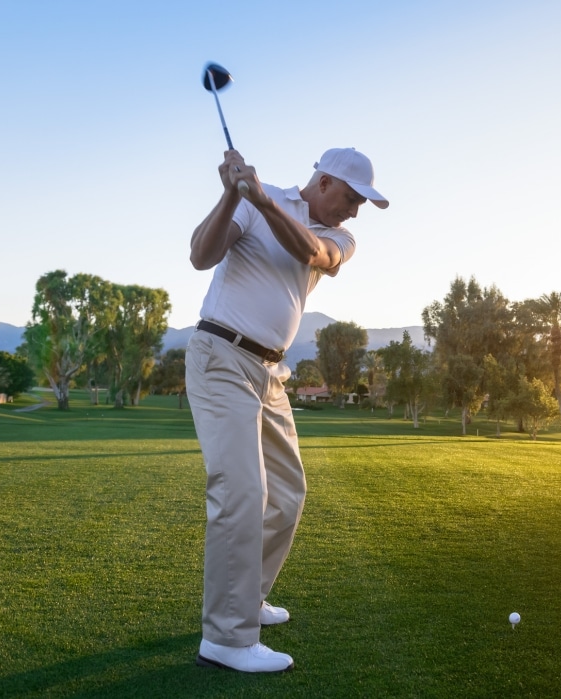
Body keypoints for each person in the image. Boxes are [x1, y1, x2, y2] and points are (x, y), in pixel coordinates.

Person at [186, 147, 388, 673]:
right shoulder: (258, 199)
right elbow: (201, 256)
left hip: (271, 374)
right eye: (350, 197)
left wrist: (263, 202)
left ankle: (247, 600)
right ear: (323, 182)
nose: (354, 211)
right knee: (242, 491)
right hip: (222, 356)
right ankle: (228, 638)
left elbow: (315, 255)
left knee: (288, 495)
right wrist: (234, 192)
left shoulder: (340, 236)